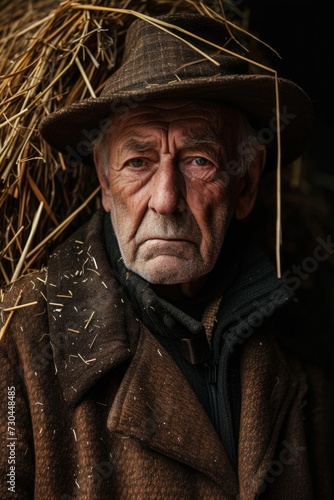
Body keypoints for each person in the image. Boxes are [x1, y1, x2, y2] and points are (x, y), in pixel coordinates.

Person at [0, 13, 332, 499]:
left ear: (247, 182)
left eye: (200, 161)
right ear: (105, 180)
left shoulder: (304, 363)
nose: (166, 199)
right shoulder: (19, 343)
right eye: (138, 162)